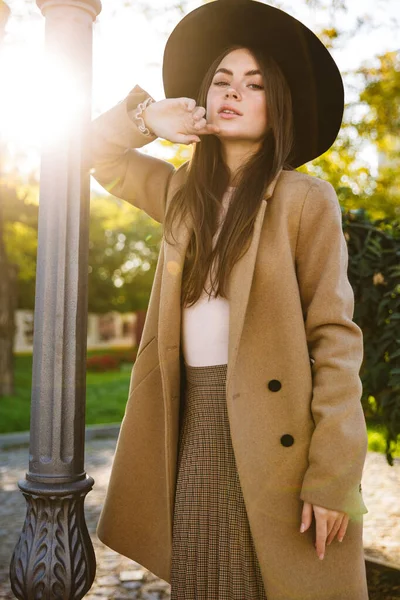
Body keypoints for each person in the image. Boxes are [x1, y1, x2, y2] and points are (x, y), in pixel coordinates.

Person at [89, 1, 370, 599]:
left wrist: (334, 478)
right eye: (220, 81)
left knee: (262, 579)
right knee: (198, 576)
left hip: (277, 434)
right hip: (191, 421)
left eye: (254, 84)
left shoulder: (304, 199)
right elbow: (92, 156)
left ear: (278, 106)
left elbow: (336, 338)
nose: (232, 93)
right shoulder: (179, 193)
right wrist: (145, 117)